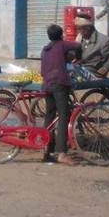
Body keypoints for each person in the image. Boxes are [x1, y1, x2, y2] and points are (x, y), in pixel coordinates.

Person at [40, 24, 81, 165]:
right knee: (64, 116)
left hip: (47, 85)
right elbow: (77, 45)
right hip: (59, 84)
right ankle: (62, 152)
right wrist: (78, 59)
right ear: (61, 34)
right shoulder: (62, 45)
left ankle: (47, 149)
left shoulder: (45, 50)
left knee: (50, 116)